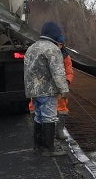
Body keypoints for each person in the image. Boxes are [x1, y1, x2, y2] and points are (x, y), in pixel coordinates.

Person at [24, 21, 69, 156]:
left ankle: (38, 146)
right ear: (54, 34)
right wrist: (64, 90)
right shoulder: (52, 49)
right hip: (47, 89)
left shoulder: (32, 48)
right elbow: (58, 72)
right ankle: (49, 149)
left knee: (38, 116)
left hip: (33, 90)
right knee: (49, 116)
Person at [55, 42, 74, 139]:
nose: (59, 46)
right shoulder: (47, 53)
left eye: (61, 44)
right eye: (57, 43)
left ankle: (59, 130)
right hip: (47, 84)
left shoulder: (65, 56)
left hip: (61, 84)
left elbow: (69, 71)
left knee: (61, 107)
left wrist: (67, 81)